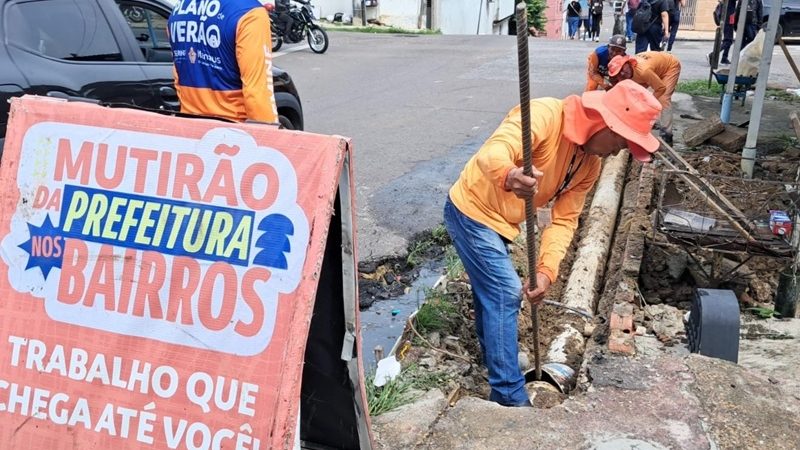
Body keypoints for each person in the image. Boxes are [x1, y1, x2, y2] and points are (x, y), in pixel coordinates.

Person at [443, 80, 662, 407]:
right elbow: (495, 150)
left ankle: (496, 360)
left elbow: (564, 220)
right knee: (504, 292)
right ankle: (509, 397)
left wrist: (546, 272)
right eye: (620, 142)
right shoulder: (545, 115)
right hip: (472, 211)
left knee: (490, 294)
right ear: (606, 124)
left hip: (503, 222)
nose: (617, 153)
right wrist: (509, 175)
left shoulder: (589, 164)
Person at [168, 0, 278, 123]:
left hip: (191, 124)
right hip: (233, 127)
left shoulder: (178, 11)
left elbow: (178, 76)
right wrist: (270, 132)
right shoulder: (250, 13)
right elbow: (258, 93)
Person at [608, 52, 681, 145]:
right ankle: (639, 125)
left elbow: (661, 88)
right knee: (636, 97)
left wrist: (649, 103)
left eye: (623, 69)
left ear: (628, 63)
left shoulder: (643, 71)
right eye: (619, 72)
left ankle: (666, 135)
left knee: (663, 98)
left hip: (669, 66)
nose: (622, 73)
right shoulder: (626, 75)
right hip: (653, 69)